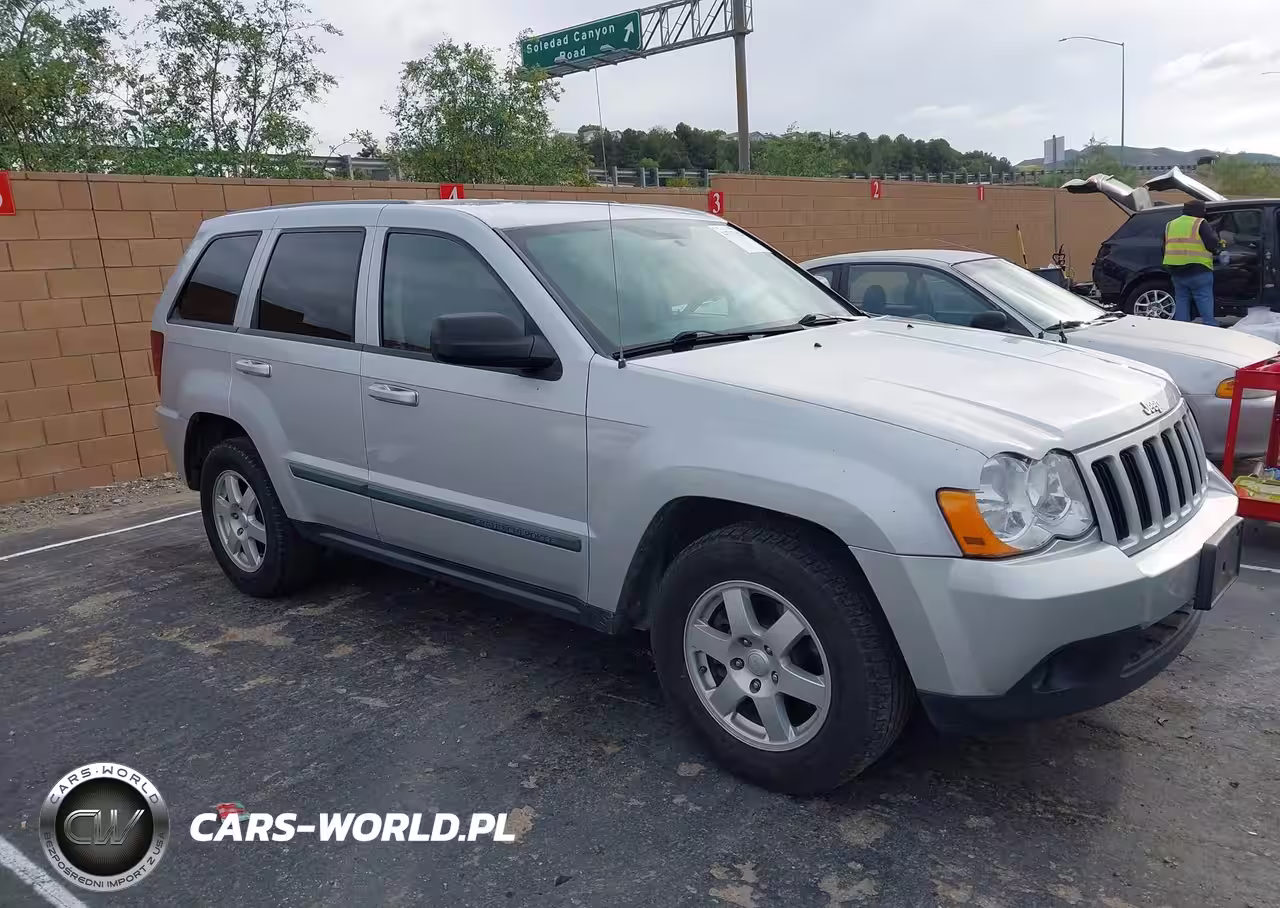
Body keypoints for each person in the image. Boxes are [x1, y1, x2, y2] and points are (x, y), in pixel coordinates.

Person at [1162, 199, 1226, 326]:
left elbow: (1164, 247)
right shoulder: (1200, 222)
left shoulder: (1170, 224)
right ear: (1199, 210)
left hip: (1176, 271)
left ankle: (1182, 327)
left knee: (1181, 299)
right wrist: (1220, 248)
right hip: (1198, 270)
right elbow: (1212, 243)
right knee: (1203, 298)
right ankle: (1209, 325)